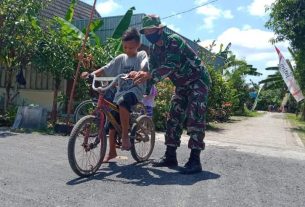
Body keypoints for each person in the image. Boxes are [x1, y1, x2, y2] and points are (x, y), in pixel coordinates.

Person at [130, 15, 211, 174]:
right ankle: (170, 156)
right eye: (146, 32)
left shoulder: (174, 40)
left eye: (151, 30)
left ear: (159, 30)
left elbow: (170, 66)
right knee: (173, 116)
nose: (148, 34)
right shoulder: (154, 49)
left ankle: (195, 160)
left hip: (197, 80)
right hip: (182, 84)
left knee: (195, 116)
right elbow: (152, 71)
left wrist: (150, 75)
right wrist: (143, 91)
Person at [81, 28, 148, 162]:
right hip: (120, 92)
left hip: (135, 91)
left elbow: (144, 64)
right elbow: (106, 68)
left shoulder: (141, 55)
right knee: (111, 122)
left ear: (138, 45)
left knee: (123, 101)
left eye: (131, 47)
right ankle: (112, 152)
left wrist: (139, 72)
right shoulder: (121, 58)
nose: (127, 50)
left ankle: (124, 136)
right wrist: (91, 74)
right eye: (125, 47)